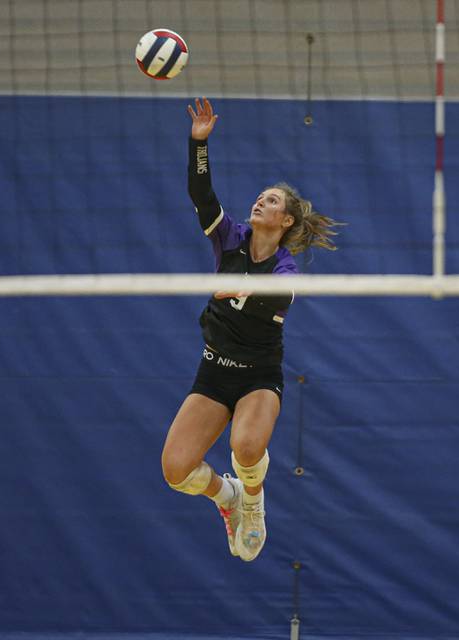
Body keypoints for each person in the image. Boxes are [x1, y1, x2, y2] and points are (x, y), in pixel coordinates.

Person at [160, 97, 342, 561]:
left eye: (273, 200)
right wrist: (198, 144)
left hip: (258, 373)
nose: (262, 200)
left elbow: (282, 296)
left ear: (286, 222)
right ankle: (229, 498)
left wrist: (236, 288)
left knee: (245, 445)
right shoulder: (231, 238)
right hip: (214, 369)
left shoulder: (284, 268)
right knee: (176, 470)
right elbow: (202, 196)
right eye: (261, 196)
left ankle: (254, 502)